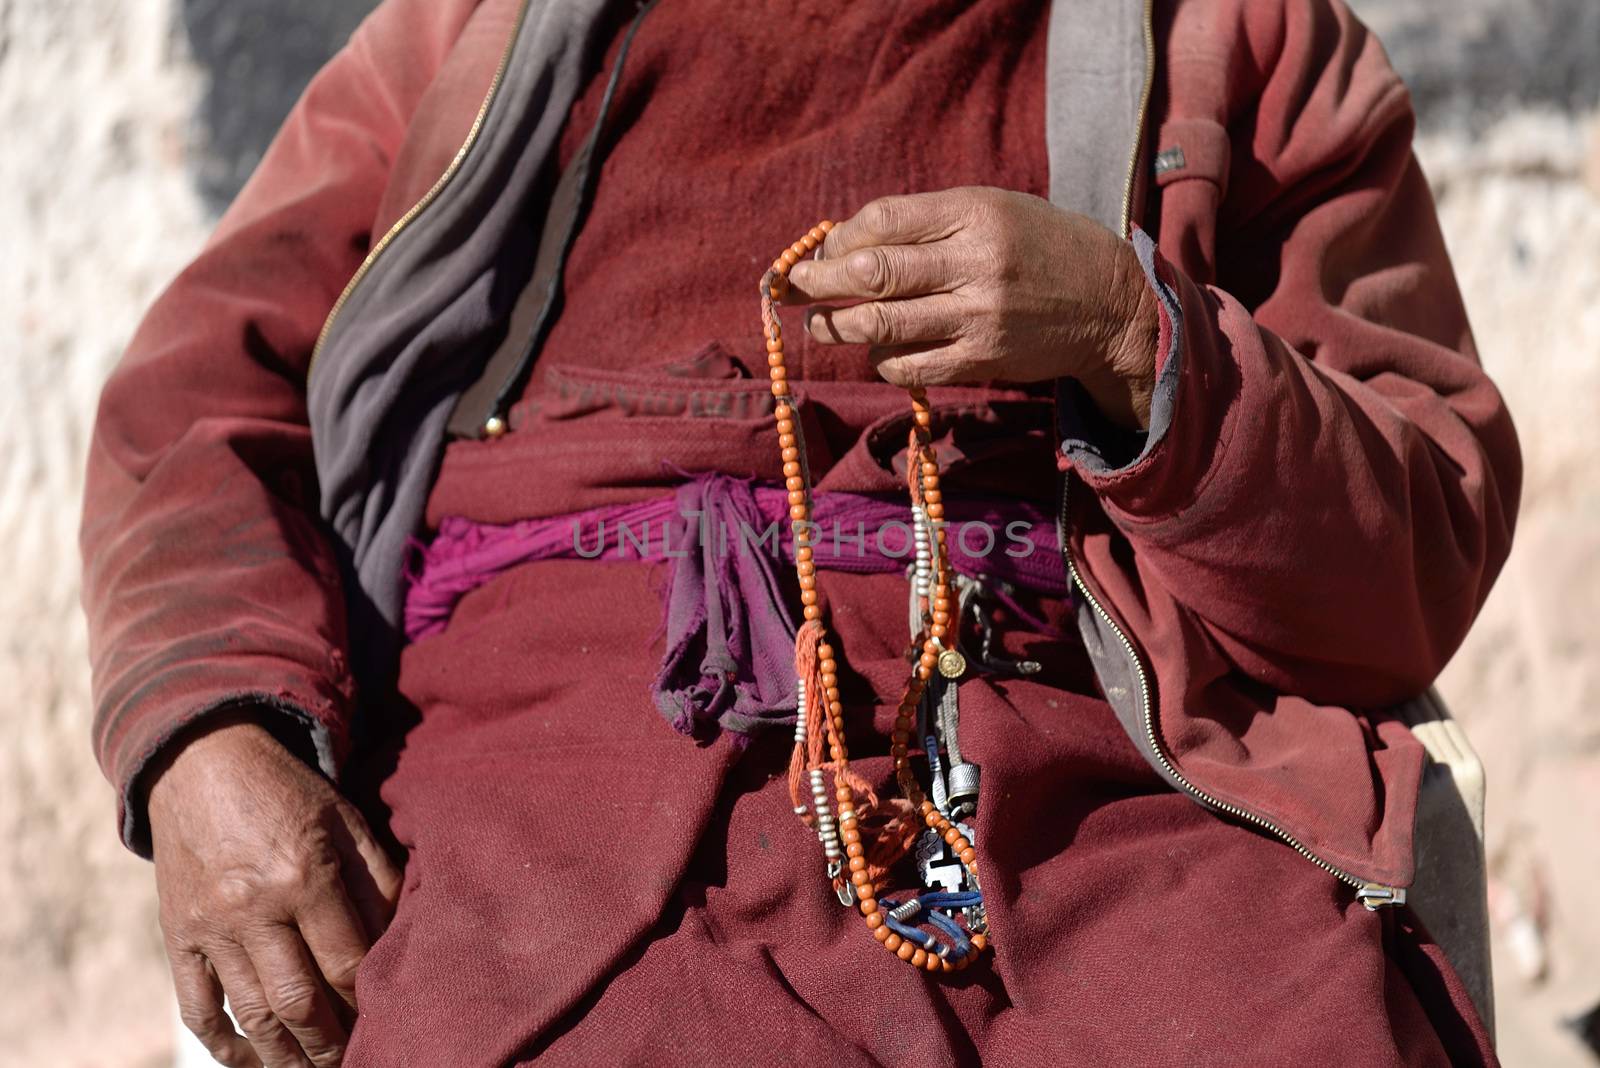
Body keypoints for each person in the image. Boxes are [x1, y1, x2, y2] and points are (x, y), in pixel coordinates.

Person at [80, 0, 1520, 1064]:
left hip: (1089, 773)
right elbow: (205, 400)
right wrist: (210, 736)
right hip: (546, 772)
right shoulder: (485, 26)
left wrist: (1134, 336)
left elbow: (1418, 545)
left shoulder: (1235, 38)